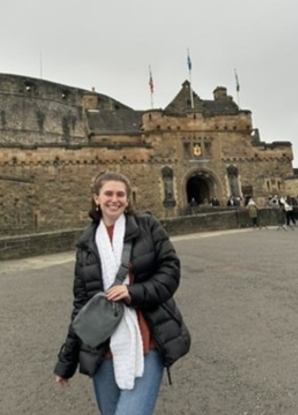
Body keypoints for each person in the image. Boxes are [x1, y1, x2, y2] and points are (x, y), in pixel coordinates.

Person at [54, 171, 190, 415]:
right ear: (96, 198)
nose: (114, 200)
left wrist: (132, 292)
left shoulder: (148, 227)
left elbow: (171, 272)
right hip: (102, 348)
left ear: (128, 199)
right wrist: (66, 362)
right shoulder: (86, 245)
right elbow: (82, 308)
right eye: (108, 194)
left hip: (146, 341)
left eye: (121, 194)